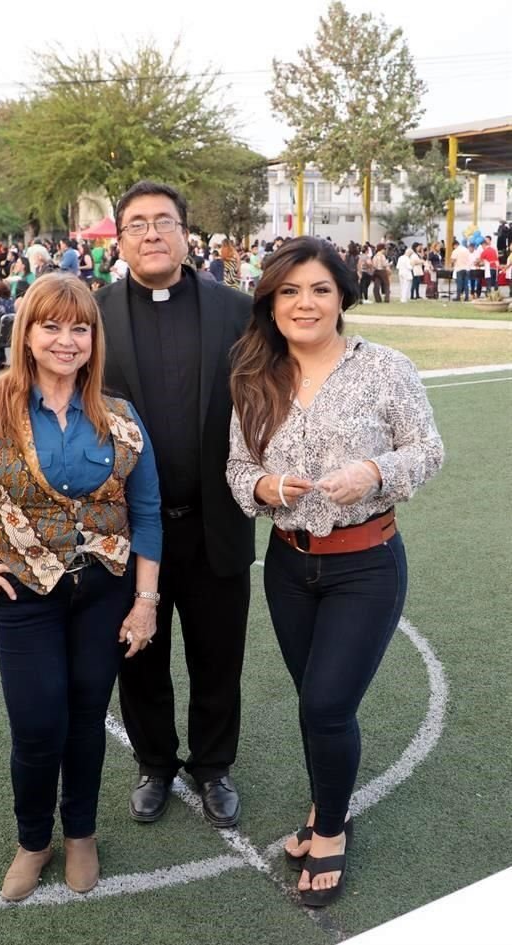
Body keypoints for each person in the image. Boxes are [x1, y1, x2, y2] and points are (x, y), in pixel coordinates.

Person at [0, 272, 162, 903]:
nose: (66, 341)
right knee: (39, 723)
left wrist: (146, 602)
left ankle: (81, 835)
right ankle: (33, 839)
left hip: (105, 594)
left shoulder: (120, 419)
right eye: (51, 326)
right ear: (28, 334)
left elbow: (147, 512)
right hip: (25, 599)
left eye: (80, 328)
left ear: (95, 339)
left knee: (86, 720)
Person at [226, 236, 443, 906]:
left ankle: (328, 830)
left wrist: (377, 470)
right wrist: (265, 489)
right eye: (289, 290)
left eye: (319, 289)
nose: (305, 303)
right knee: (316, 705)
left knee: (326, 704)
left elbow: (429, 449)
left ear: (341, 295)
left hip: (366, 564)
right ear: (271, 299)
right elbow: (239, 470)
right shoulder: (253, 375)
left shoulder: (384, 367)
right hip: (288, 568)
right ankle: (331, 801)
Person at [95, 180, 254, 828]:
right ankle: (155, 763)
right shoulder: (93, 312)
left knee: (219, 655)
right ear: (122, 237)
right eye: (137, 223)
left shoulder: (237, 309)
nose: (152, 233)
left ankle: (213, 764)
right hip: (130, 533)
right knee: (139, 656)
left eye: (164, 221)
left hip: (216, 523)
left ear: (188, 232)